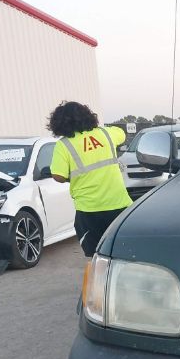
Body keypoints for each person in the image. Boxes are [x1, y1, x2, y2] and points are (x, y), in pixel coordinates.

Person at [47, 101, 132, 257]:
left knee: (95, 257)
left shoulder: (64, 145)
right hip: (119, 205)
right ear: (87, 116)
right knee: (125, 253)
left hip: (89, 210)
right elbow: (122, 134)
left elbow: (58, 175)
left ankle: (98, 281)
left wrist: (75, 176)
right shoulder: (106, 134)